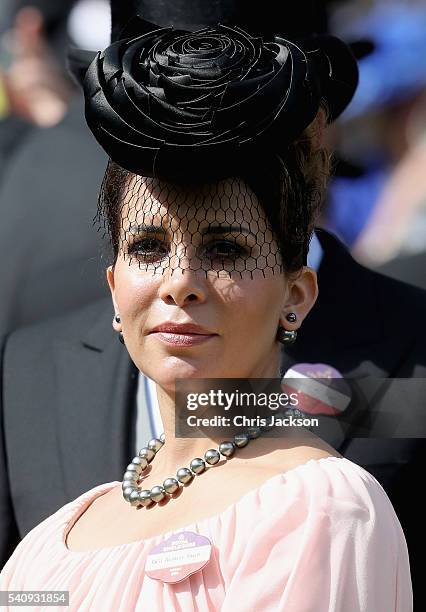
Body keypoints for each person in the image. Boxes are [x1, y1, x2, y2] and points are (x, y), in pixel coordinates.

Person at [0, 13, 412, 610]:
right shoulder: (48, 539)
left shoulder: (325, 500)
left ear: (297, 295)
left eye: (225, 250)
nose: (181, 285)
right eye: (146, 246)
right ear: (113, 285)